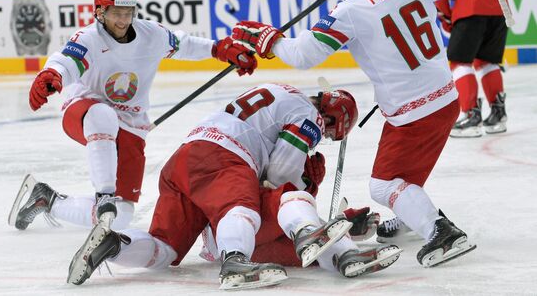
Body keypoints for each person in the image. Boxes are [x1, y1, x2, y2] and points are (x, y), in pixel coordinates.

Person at [232, 0, 487, 268]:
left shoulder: (349, 10)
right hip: (447, 100)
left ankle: (441, 232)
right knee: (405, 177)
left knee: (383, 185)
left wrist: (270, 41)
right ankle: (412, 218)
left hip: (411, 113)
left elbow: (303, 55)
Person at [66, 83, 400, 289]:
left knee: (163, 248)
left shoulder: (280, 95)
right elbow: (282, 169)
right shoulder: (307, 113)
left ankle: (114, 245)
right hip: (223, 158)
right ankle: (236, 263)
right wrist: (294, 196)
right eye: (326, 133)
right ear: (327, 118)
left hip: (184, 161)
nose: (320, 139)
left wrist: (336, 227)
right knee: (265, 202)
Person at [8, 0, 257, 235]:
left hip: (131, 123)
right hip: (84, 112)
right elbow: (68, 60)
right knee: (102, 114)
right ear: (100, 12)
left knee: (122, 215)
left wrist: (219, 49)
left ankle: (47, 200)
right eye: (117, 13)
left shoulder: (152, 34)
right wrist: (53, 74)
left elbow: (185, 45)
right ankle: (104, 193)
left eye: (128, 13)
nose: (124, 19)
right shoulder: (88, 38)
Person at [428, 0, 508, 138]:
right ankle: (498, 114)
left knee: (460, 62)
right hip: (499, 6)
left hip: (471, 8)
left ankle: (471, 115)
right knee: (487, 62)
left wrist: (446, 13)